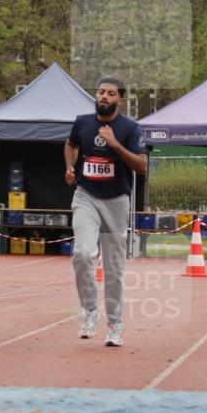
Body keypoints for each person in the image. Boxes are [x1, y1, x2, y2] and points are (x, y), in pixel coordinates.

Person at [64, 76, 147, 348]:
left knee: (114, 269)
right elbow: (71, 144)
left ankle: (114, 324)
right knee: (83, 254)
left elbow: (142, 167)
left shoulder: (130, 128)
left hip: (116, 200)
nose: (104, 97)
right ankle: (89, 310)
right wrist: (70, 166)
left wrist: (115, 145)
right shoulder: (83, 123)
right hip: (86, 195)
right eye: (100, 92)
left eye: (110, 93)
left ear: (119, 99)